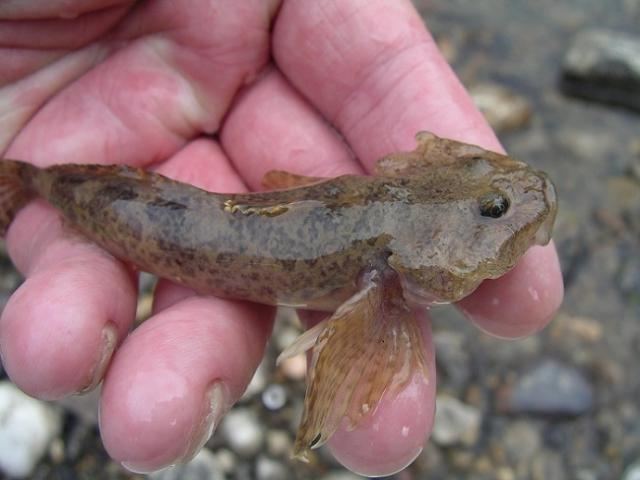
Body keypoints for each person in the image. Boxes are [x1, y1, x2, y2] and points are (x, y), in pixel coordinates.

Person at [0, 0, 563, 476]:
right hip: (156, 215)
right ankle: (24, 182)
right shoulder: (386, 268)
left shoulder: (387, 222)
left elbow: (301, 193)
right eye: (494, 207)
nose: (527, 199)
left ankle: (30, 180)